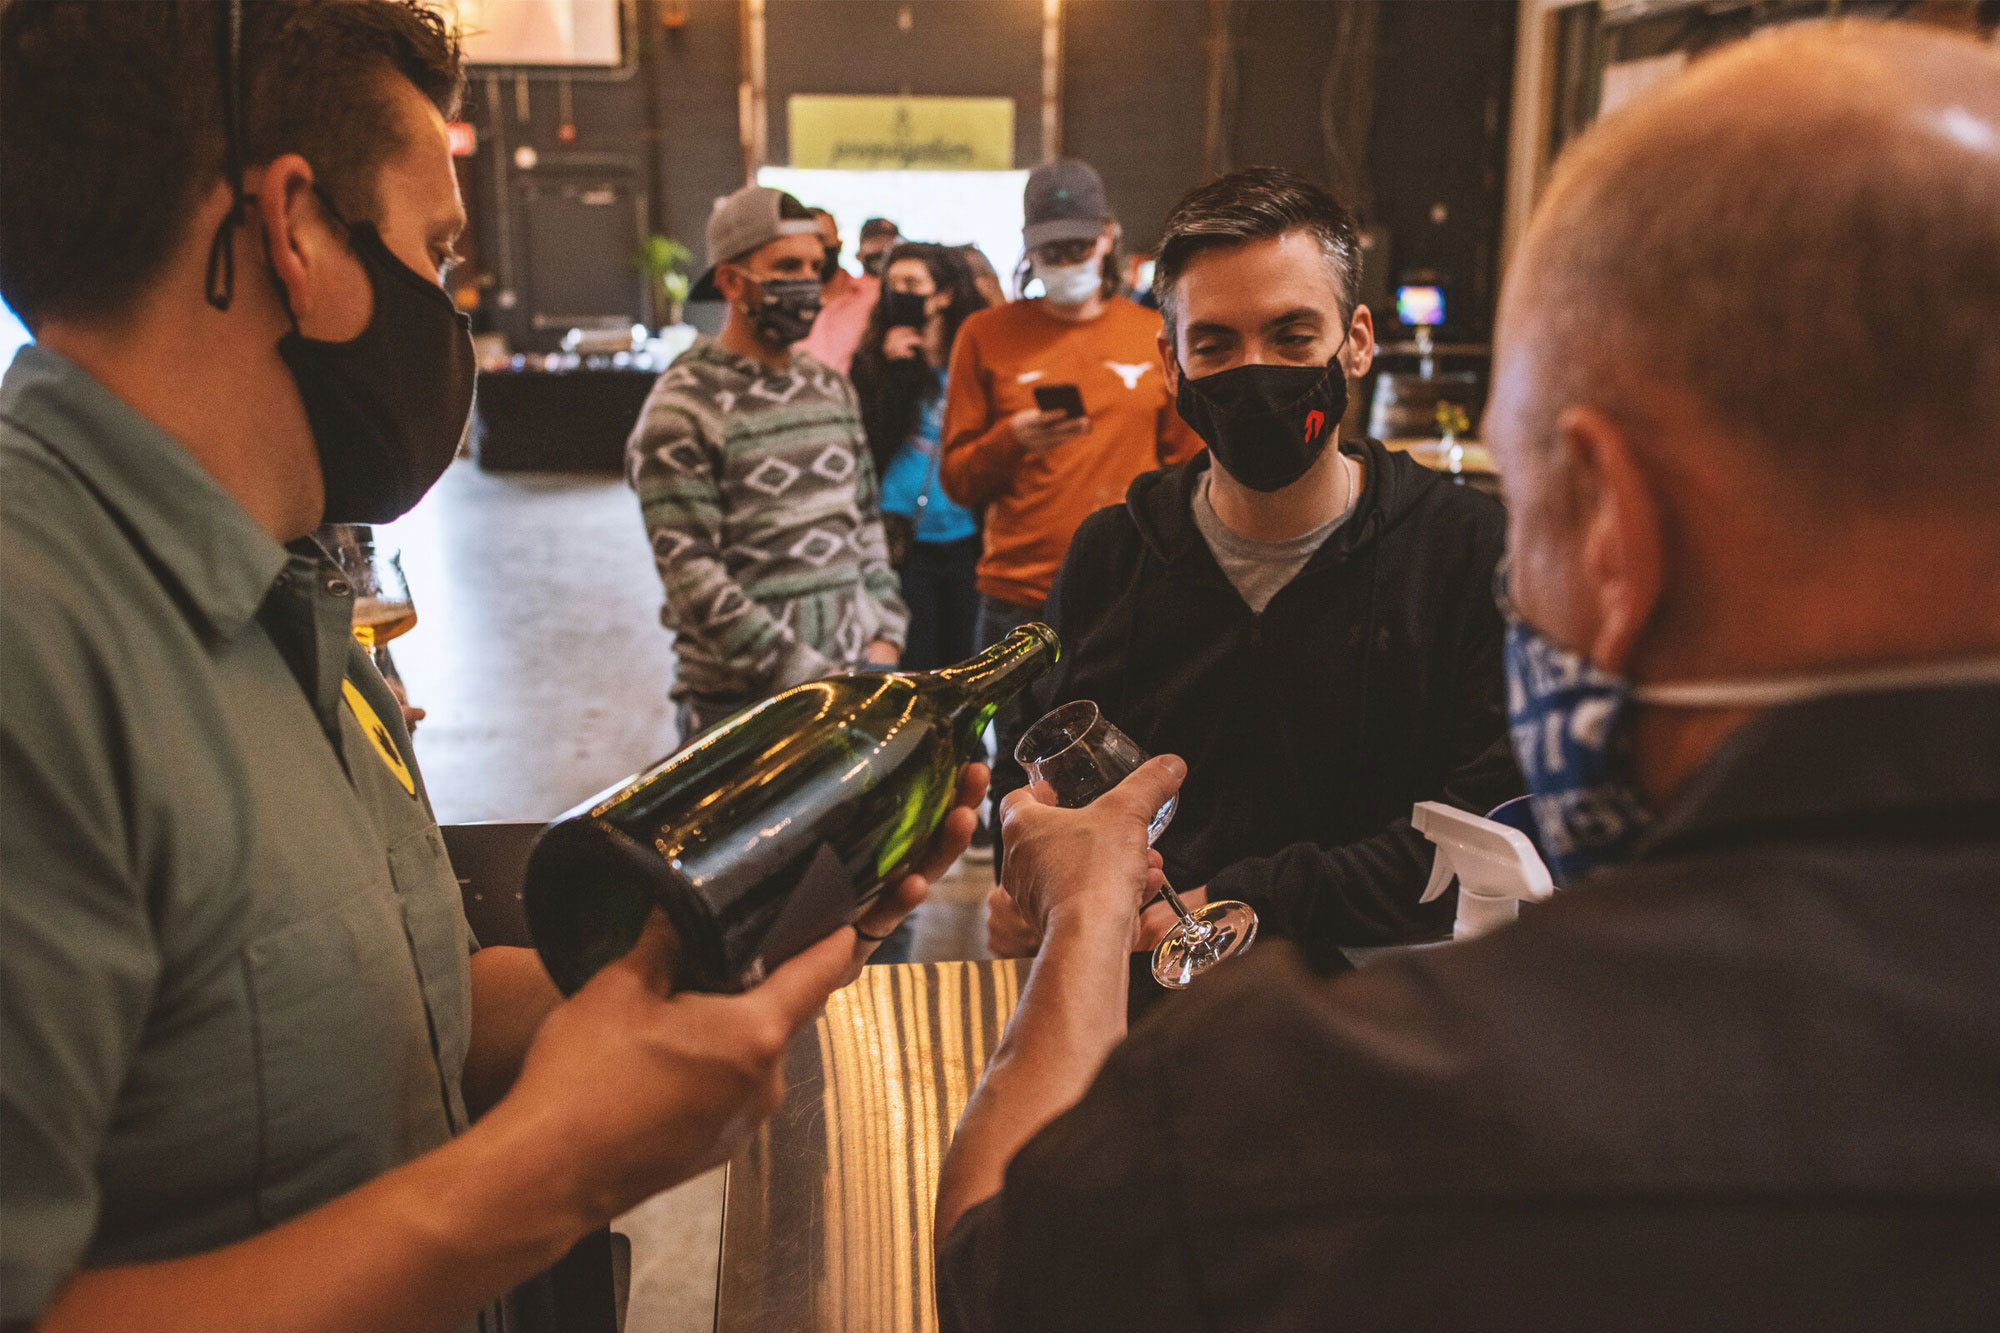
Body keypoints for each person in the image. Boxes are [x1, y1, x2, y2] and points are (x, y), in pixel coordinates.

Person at [936, 20, 2000, 1329]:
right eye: (1214, 347)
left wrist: (1103, 923)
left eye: (1532, 479)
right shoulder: (1124, 550)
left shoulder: (1387, 1115)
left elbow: (1003, 1271)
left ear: (1614, 523)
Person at [0, 5, 981, 1329]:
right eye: (439, 248)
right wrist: (551, 1171)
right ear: (294, 230)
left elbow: (398, 1002)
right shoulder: (39, 651)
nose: (449, 301)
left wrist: (707, 948)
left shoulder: (289, 598)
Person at [983, 168, 1519, 970]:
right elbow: (1025, 789)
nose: (1255, 372)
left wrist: (1242, 903)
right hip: (1146, 1028)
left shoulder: (1464, 552)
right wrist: (1029, 881)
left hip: (1385, 1024)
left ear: (1359, 341)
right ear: (1172, 365)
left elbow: (1484, 844)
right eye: (1216, 344)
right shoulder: (1111, 556)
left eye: (1293, 337)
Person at [628, 184, 909, 740]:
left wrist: (887, 635)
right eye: (786, 267)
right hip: (740, 711)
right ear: (732, 281)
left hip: (854, 686)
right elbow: (693, 581)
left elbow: (864, 520)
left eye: (815, 265)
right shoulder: (681, 408)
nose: (808, 281)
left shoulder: (830, 386)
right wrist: (811, 679)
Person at [940, 158, 1202, 652]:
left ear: (1107, 236)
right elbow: (957, 480)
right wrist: (1011, 440)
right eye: (1050, 250)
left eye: (1077, 247)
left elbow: (1187, 468)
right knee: (1018, 732)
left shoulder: (1153, 333)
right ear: (1028, 245)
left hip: (1128, 586)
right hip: (1019, 595)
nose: (1064, 263)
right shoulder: (986, 334)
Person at [850, 242, 988, 672]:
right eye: (892, 285)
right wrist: (897, 371)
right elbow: (871, 441)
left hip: (967, 530)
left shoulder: (972, 355)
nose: (900, 293)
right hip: (900, 533)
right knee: (917, 662)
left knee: (964, 661)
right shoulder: (873, 357)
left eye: (912, 283)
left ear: (943, 295)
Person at [797, 206, 878, 375]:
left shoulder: (874, 294)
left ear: (839, 244)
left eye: (822, 239)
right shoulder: (783, 302)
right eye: (806, 240)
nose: (816, 248)